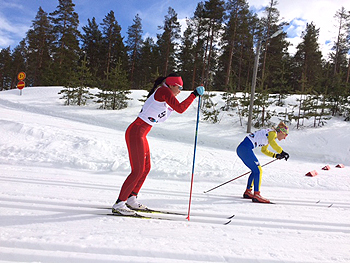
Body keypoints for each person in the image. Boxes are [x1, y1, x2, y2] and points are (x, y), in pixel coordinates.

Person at [112, 73, 205, 215]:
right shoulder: (163, 91)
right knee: (137, 170)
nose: (180, 91)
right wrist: (193, 95)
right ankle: (119, 204)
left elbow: (171, 109)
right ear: (172, 85)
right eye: (179, 87)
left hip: (141, 133)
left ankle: (131, 198)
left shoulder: (165, 94)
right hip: (136, 132)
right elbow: (180, 108)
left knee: (146, 168)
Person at [236, 121, 290, 203]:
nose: (285, 138)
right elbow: (273, 143)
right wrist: (282, 152)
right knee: (258, 170)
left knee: (255, 170)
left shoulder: (269, 135)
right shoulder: (272, 133)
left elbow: (264, 150)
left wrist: (275, 156)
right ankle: (257, 195)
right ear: (281, 132)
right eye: (285, 135)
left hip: (243, 149)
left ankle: (248, 192)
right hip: (245, 149)